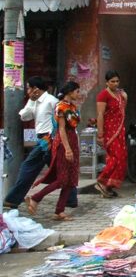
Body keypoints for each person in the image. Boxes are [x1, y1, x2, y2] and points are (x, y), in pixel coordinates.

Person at [4, 77, 76, 210]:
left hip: (49, 139)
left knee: (28, 167)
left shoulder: (51, 101)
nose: (27, 90)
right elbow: (24, 116)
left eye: (29, 88)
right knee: (60, 171)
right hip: (42, 138)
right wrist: (31, 101)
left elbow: (60, 122)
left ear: (36, 89)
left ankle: (13, 199)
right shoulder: (35, 102)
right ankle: (70, 199)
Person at [26, 81, 81, 221]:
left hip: (73, 141)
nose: (78, 94)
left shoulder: (72, 106)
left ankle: (59, 211)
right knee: (62, 179)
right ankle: (35, 198)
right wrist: (67, 149)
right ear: (70, 91)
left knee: (70, 180)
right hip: (63, 143)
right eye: (77, 91)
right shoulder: (61, 107)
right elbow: (61, 129)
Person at [95, 70, 128, 198]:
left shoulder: (120, 94)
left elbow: (122, 111)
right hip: (109, 131)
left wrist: (125, 97)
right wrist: (100, 134)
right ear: (107, 82)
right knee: (115, 158)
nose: (115, 84)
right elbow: (100, 115)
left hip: (120, 130)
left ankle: (109, 186)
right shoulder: (103, 95)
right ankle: (102, 182)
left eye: (117, 81)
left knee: (122, 158)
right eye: (112, 81)